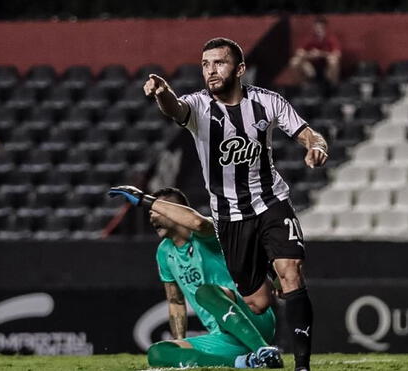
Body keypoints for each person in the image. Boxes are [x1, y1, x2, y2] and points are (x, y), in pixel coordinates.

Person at [143, 37, 328, 371]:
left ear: (239, 69)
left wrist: (315, 146)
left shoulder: (267, 102)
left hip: (271, 201)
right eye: (205, 64)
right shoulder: (198, 106)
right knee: (256, 302)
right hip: (230, 217)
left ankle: (302, 366)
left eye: (219, 63)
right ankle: (257, 335)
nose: (211, 71)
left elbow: (308, 133)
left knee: (292, 271)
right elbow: (174, 109)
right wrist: (162, 93)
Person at [109, 186, 283, 369]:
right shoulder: (164, 252)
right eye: (150, 212)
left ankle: (264, 350)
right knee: (158, 353)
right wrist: (179, 343)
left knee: (205, 292)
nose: (151, 217)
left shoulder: (207, 235)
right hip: (222, 337)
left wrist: (144, 198)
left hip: (253, 319)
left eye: (156, 211)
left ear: (174, 211)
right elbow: (175, 301)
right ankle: (245, 362)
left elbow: (197, 223)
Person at [290, 16, 341, 85]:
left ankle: (333, 87)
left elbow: (338, 54)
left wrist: (321, 54)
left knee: (333, 60)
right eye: (317, 27)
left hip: (326, 67)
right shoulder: (309, 37)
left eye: (321, 28)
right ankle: (299, 87)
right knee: (294, 62)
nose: (319, 30)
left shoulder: (331, 37)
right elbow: (299, 52)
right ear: (314, 27)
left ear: (325, 28)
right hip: (311, 66)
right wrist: (310, 54)